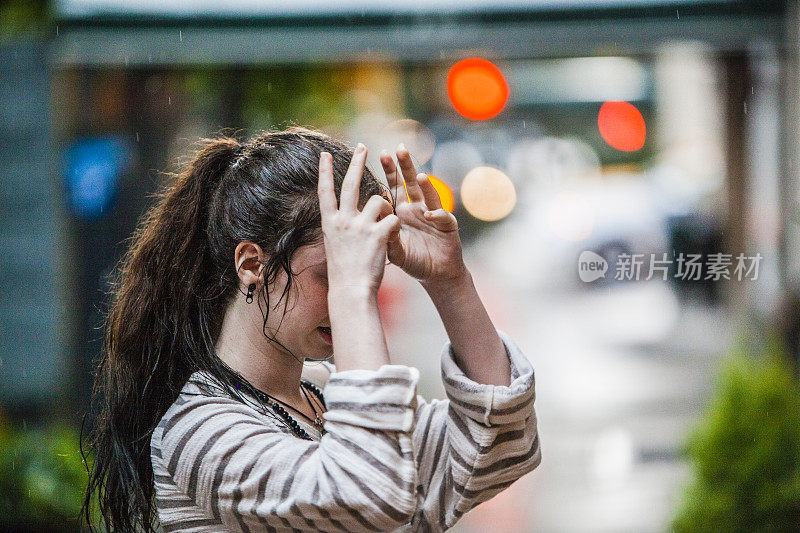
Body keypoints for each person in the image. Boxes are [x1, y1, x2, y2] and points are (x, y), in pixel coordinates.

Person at [81, 126, 541, 532]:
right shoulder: (198, 429)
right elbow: (368, 496)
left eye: (368, 270)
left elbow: (500, 447)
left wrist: (449, 281)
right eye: (331, 273)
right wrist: (353, 288)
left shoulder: (321, 391)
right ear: (251, 264)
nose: (357, 291)